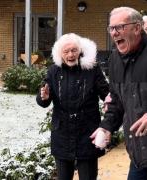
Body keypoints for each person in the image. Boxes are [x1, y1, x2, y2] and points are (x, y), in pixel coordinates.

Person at [90, 7, 147, 180]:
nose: (114, 33)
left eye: (119, 27)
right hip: (139, 155)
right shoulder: (115, 59)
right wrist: (107, 126)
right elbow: (116, 101)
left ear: (137, 28)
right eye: (111, 28)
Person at [36, 33, 109, 180]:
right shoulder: (54, 71)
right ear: (59, 53)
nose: (70, 54)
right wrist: (43, 97)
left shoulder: (92, 69)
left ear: (80, 51)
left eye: (74, 50)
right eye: (66, 51)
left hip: (87, 132)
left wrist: (109, 103)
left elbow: (106, 93)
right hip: (62, 132)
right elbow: (44, 98)